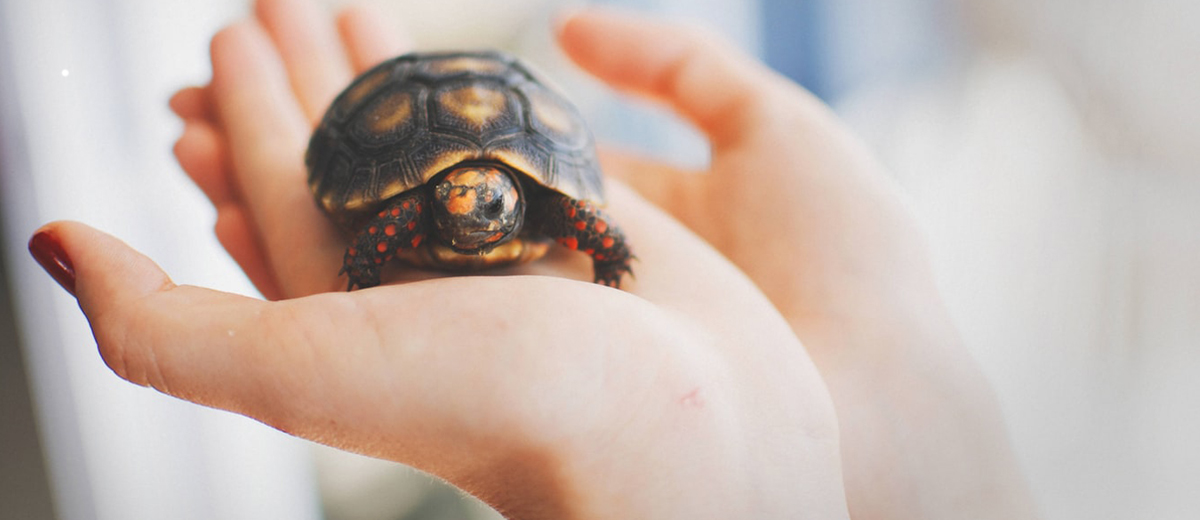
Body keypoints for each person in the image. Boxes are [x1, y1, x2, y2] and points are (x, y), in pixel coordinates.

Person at [27, 0, 1039, 518]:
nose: (468, 203)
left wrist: (606, 249)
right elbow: (379, 222)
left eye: (486, 198)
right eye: (456, 197)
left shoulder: (551, 210)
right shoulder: (414, 210)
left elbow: (592, 221)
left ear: (519, 201)